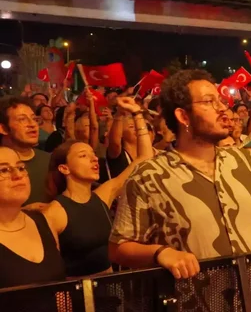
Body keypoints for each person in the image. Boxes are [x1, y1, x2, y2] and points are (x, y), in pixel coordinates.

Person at [109, 69, 251, 280]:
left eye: (220, 100)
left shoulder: (243, 160)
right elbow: (119, 247)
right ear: (183, 116)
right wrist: (161, 253)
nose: (222, 108)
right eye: (209, 102)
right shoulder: (150, 175)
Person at [43, 97, 153, 277]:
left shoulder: (103, 195)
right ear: (64, 168)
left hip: (111, 290)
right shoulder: (55, 213)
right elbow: (52, 270)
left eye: (93, 154)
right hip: (79, 296)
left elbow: (144, 158)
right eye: (83, 156)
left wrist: (137, 114)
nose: (94, 159)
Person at [0, 146, 65, 289]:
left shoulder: (42, 220)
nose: (18, 175)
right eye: (3, 170)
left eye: (21, 167)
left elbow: (60, 287)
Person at [0, 96, 51, 206]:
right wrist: (21, 213)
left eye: (34, 119)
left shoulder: (50, 160)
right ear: (3, 128)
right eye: (22, 119)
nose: (32, 124)